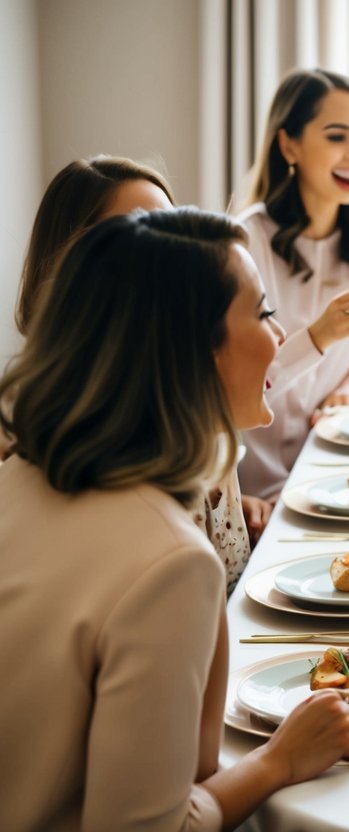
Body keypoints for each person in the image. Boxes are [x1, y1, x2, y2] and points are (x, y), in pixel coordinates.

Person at [0, 209, 349, 831]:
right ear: (196, 351)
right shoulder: (168, 562)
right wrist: (279, 761)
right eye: (265, 314)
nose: (281, 338)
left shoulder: (20, 478)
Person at [10, 155, 271, 585]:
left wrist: (230, 512)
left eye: (171, 229)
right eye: (140, 232)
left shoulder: (188, 390)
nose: (168, 253)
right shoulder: (40, 427)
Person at [237, 68, 349, 501]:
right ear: (289, 144)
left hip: (339, 479)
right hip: (257, 494)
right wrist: (318, 337)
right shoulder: (246, 242)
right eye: (337, 136)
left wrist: (347, 393)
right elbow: (234, 388)